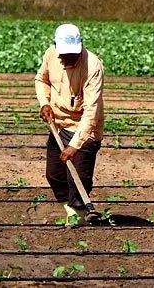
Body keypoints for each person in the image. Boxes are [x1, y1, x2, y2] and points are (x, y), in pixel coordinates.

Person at [35, 23, 104, 224]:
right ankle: (71, 209)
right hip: (59, 124)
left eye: (72, 54)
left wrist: (75, 144)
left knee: (79, 179)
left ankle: (79, 214)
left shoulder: (93, 66)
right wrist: (44, 104)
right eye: (64, 54)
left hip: (85, 128)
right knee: (54, 175)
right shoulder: (50, 55)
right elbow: (41, 80)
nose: (67, 59)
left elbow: (92, 109)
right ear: (56, 47)